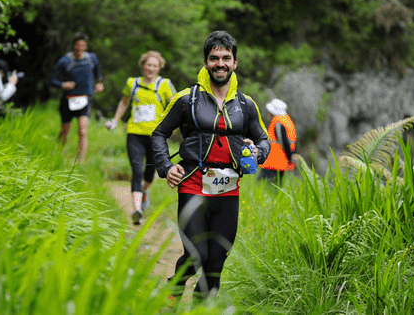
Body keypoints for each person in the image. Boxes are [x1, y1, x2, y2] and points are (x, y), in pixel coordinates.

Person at [151, 30, 270, 302]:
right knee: (197, 255)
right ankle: (175, 287)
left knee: (215, 265)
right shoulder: (186, 99)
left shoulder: (246, 104)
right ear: (205, 62)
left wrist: (257, 151)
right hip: (193, 184)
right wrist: (166, 166)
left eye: (226, 58)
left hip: (229, 191)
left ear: (235, 63)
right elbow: (159, 133)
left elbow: (264, 139)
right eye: (214, 58)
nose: (220, 63)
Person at [105, 51, 176, 225]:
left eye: (154, 65)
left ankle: (145, 191)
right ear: (142, 65)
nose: (150, 68)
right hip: (134, 133)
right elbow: (124, 101)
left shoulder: (164, 84)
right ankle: (136, 210)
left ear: (159, 68)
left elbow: (175, 104)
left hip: (156, 137)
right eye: (148, 64)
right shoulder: (132, 83)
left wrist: (171, 125)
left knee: (150, 174)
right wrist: (115, 120)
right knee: (137, 170)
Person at [49, 32, 104, 164]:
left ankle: (80, 161)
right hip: (68, 99)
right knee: (65, 131)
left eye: (83, 45)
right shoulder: (65, 61)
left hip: (85, 99)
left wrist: (99, 83)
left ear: (86, 46)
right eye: (78, 45)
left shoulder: (91, 58)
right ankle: (60, 156)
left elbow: (98, 73)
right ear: (74, 46)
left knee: (82, 130)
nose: (80, 48)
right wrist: (63, 84)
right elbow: (52, 80)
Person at [258, 98, 297, 185]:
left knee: (263, 184)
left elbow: (284, 142)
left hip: (274, 158)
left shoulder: (278, 122)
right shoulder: (287, 120)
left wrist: (290, 156)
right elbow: (293, 141)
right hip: (282, 160)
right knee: (277, 185)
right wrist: (292, 155)